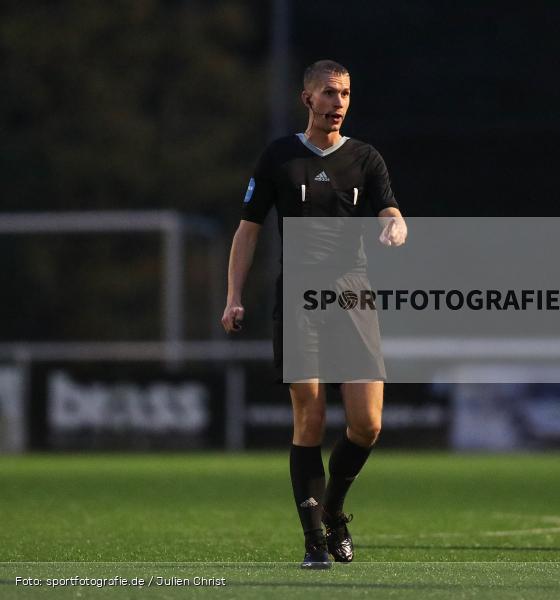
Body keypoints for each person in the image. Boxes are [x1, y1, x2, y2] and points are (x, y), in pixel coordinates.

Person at [221, 59, 407, 570]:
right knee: (310, 413)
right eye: (329, 93)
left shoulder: (366, 158)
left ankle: (335, 509)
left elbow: (389, 209)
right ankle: (313, 542)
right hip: (300, 298)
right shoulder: (280, 157)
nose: (338, 103)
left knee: (367, 425)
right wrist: (234, 295)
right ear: (307, 99)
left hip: (354, 295)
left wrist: (396, 225)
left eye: (345, 93)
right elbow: (248, 230)